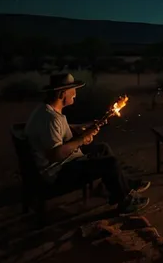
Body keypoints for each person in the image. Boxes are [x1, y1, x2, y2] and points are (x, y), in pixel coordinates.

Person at [24, 73, 150, 215]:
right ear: (62, 93)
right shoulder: (50, 119)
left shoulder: (45, 111)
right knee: (110, 163)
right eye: (73, 90)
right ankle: (125, 201)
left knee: (102, 149)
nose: (75, 94)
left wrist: (82, 127)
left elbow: (59, 129)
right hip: (57, 174)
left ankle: (122, 186)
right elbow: (55, 155)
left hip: (58, 166)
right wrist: (82, 139)